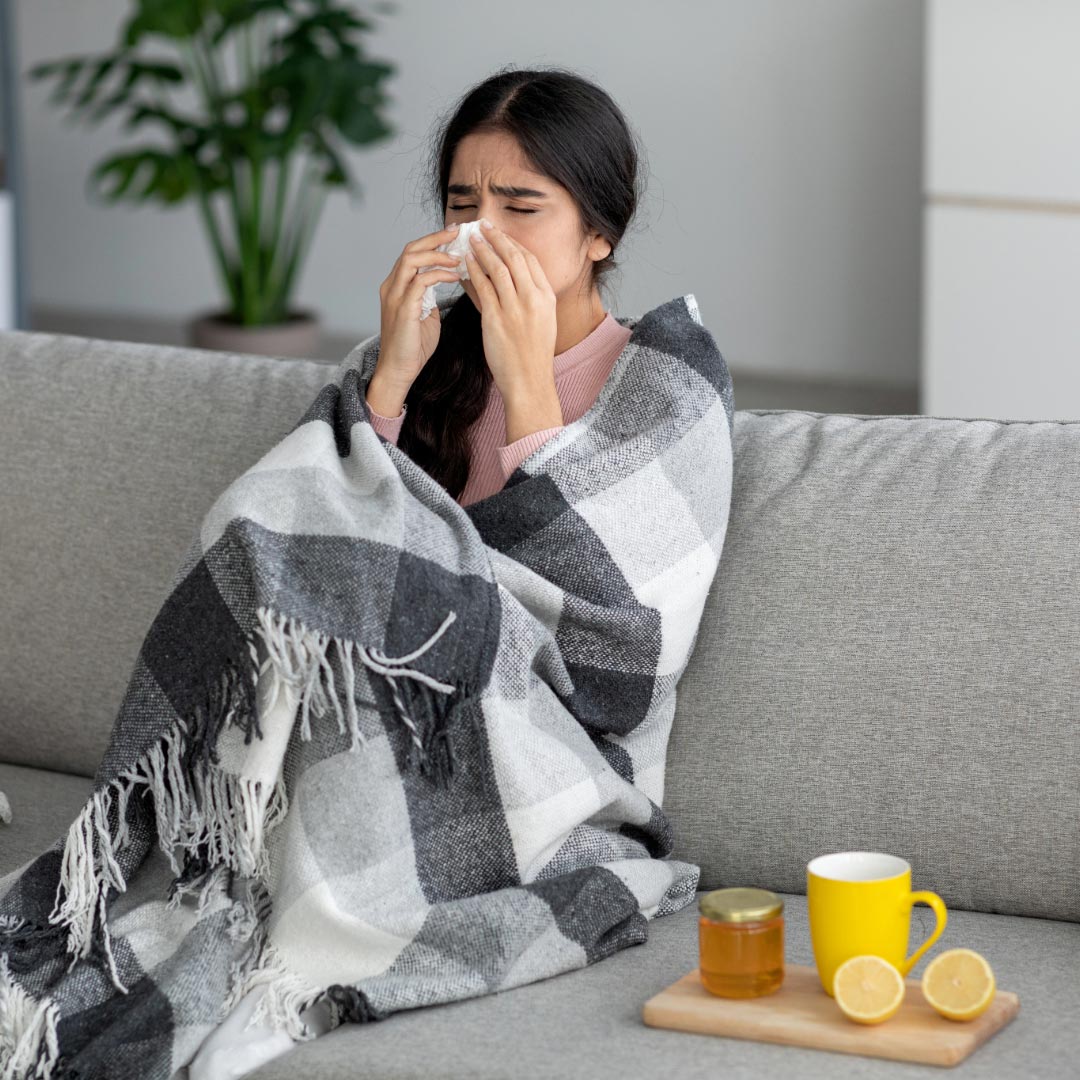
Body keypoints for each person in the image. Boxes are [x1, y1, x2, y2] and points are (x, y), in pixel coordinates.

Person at [185, 63, 646, 1079]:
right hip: (377, 701)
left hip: (540, 738)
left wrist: (529, 386)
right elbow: (313, 531)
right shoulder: (421, 348)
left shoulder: (657, 393)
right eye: (460, 206)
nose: (483, 234)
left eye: (522, 206)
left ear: (599, 234)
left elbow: (612, 654)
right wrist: (391, 375)